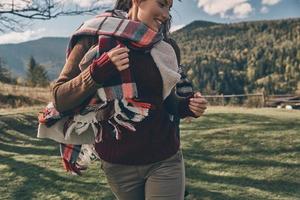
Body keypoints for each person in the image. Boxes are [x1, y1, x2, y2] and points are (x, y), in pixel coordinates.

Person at [48, 0, 207, 199]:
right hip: (118, 165)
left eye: (169, 7)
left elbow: (168, 102)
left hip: (164, 158)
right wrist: (97, 71)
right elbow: (60, 99)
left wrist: (187, 106)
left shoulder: (166, 47)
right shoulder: (93, 37)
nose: (166, 14)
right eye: (161, 4)